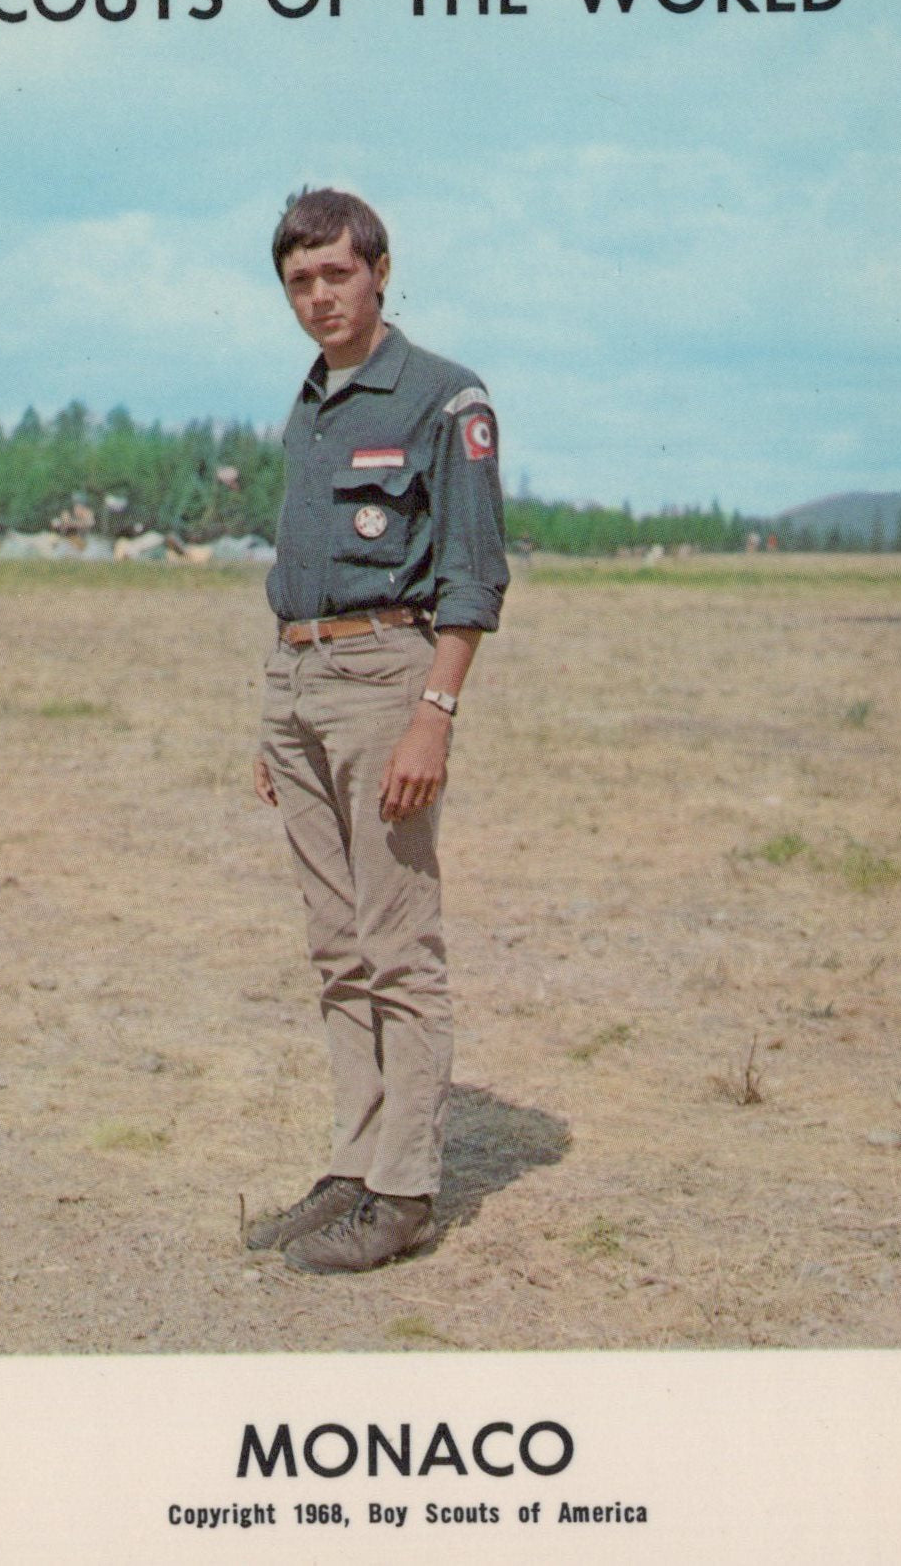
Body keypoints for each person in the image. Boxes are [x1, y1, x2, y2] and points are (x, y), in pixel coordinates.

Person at [249, 188, 509, 1273]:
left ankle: (403, 1192)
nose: (320, 298)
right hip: (298, 677)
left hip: (387, 681)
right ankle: (354, 1162)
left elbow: (473, 575)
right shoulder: (311, 403)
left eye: (337, 275)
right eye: (301, 281)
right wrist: (275, 717)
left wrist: (432, 716)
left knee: (398, 944)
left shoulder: (445, 398)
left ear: (381, 270)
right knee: (335, 944)